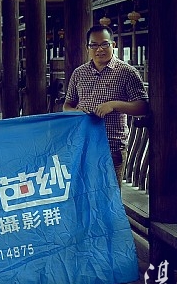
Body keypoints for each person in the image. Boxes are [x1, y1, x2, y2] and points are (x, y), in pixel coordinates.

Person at [63, 25, 149, 185]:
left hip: (112, 147)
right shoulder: (79, 73)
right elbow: (67, 105)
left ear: (113, 45)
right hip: (82, 145)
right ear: (87, 47)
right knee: (83, 193)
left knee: (110, 196)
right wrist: (76, 111)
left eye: (104, 44)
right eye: (93, 45)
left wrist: (114, 105)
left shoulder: (127, 72)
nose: (99, 49)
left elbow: (143, 106)